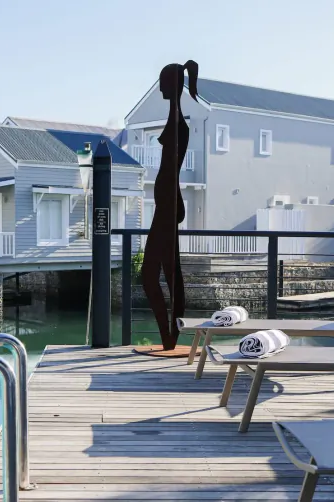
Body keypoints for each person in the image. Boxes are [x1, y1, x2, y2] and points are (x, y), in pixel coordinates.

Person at [141, 60, 198, 351]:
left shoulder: (177, 121)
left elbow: (170, 169)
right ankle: (169, 336)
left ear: (172, 84)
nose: (160, 86)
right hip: (167, 203)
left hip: (166, 206)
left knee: (152, 273)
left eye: (163, 81)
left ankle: (169, 335)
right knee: (167, 271)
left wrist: (171, 203)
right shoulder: (174, 119)